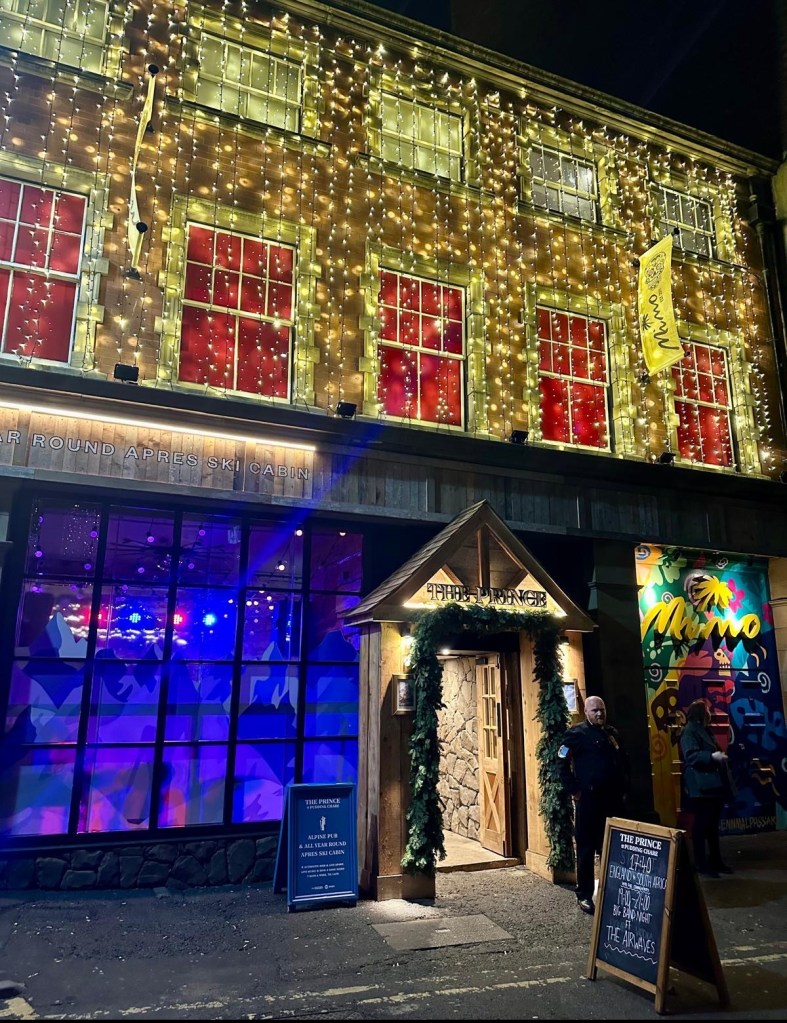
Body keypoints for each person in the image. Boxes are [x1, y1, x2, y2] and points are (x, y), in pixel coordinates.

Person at [558, 695, 629, 915]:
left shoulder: (611, 734)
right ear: (586, 712)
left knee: (610, 848)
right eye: (595, 710)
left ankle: (612, 892)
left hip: (612, 802)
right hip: (589, 802)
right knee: (587, 849)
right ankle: (585, 895)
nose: (599, 713)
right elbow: (561, 762)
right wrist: (574, 789)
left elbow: (621, 762)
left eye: (602, 709)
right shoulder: (576, 735)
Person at [679, 699, 733, 877]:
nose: (710, 713)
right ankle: (701, 863)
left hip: (712, 785)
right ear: (701, 713)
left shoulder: (704, 729)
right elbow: (691, 756)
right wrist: (712, 756)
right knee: (702, 825)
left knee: (712, 825)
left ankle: (715, 861)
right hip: (701, 787)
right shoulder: (689, 731)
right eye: (707, 710)